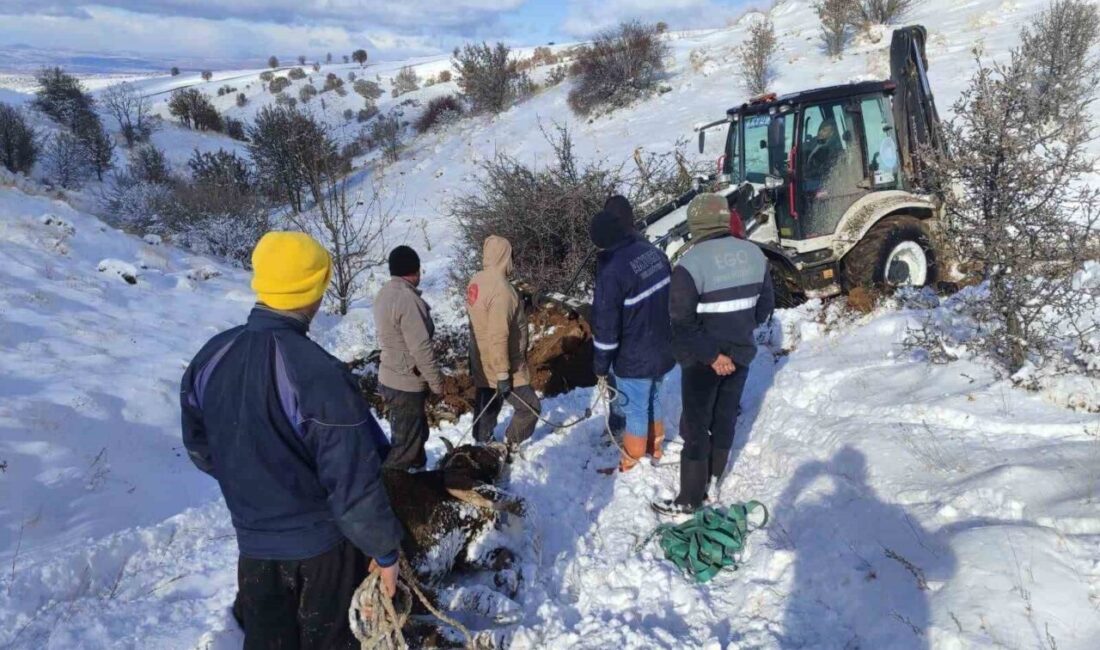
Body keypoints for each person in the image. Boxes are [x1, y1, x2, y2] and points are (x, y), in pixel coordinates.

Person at [180, 231, 403, 649]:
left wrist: (258, 487)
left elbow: (201, 447)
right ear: (316, 291)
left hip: (254, 549)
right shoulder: (318, 374)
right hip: (323, 554)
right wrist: (385, 552)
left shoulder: (210, 358)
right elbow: (352, 484)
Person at [653, 194, 774, 515]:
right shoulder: (755, 254)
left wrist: (712, 356)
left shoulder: (689, 265)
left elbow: (681, 321)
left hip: (702, 361)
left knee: (695, 425)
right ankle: (714, 480)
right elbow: (764, 310)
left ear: (696, 225)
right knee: (724, 418)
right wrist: (735, 337)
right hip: (741, 355)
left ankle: (689, 498)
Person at [589, 209, 675, 472]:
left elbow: (606, 327)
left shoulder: (612, 273)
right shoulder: (654, 254)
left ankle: (633, 460)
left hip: (634, 356)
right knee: (655, 399)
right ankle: (655, 447)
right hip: (663, 347)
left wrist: (601, 365)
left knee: (635, 407)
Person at [466, 235, 541, 449]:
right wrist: (502, 374)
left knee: (487, 398)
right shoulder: (503, 291)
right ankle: (511, 442)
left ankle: (482, 442)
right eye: (511, 256)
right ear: (504, 256)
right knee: (530, 407)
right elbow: (498, 334)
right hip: (505, 362)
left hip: (481, 356)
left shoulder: (476, 280)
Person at [373, 245, 443, 471]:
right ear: (415, 271)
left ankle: (417, 480)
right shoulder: (407, 299)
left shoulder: (385, 293)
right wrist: (436, 383)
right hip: (406, 383)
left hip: (391, 376)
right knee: (405, 448)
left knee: (415, 435)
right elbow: (421, 348)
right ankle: (389, 493)